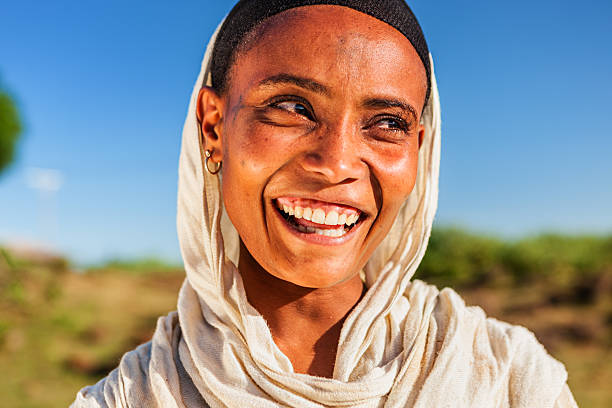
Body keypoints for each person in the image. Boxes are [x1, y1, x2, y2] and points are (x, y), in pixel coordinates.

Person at [72, 1, 578, 406]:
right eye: (292, 108)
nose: (336, 164)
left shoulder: (508, 379)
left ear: (419, 152)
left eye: (387, 123)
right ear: (213, 127)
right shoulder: (136, 396)